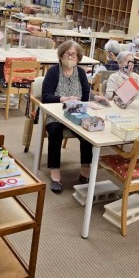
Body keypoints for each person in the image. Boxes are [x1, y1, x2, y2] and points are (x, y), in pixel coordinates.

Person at [42, 40, 93, 194]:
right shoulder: (53, 72)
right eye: (67, 54)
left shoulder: (81, 73)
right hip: (56, 114)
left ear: (78, 57)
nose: (70, 57)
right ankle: (55, 173)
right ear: (61, 55)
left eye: (74, 55)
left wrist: (95, 99)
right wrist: (63, 99)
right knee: (55, 131)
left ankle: (85, 170)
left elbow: (86, 95)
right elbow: (46, 97)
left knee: (88, 131)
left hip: (77, 113)